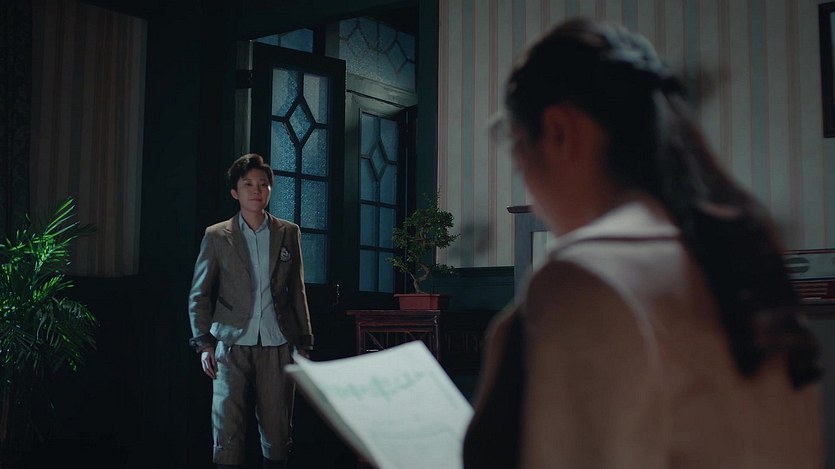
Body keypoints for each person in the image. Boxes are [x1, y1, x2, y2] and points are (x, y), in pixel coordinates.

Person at [463, 18, 824, 469]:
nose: (533, 202)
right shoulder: (745, 254)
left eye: (520, 158)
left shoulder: (585, 279)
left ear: (558, 130)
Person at [187, 153, 314, 469]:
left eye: (263, 184)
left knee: (278, 427)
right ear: (235, 192)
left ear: (270, 189)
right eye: (248, 184)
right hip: (230, 344)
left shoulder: (288, 232)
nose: (256, 190)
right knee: (227, 428)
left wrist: (304, 343)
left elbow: (297, 291)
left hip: (278, 342)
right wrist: (204, 344)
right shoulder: (217, 235)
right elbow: (199, 294)